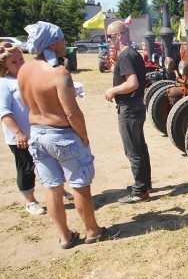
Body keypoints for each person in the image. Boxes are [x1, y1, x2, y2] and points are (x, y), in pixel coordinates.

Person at [18, 21, 119, 249]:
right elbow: (71, 112)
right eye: (62, 39)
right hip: (62, 135)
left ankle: (65, 236)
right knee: (80, 185)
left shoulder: (24, 70)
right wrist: (83, 136)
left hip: (37, 133)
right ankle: (93, 230)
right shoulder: (58, 73)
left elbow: (25, 103)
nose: (65, 43)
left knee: (51, 188)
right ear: (52, 44)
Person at [0, 42, 45, 215]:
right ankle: (30, 201)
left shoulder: (26, 77)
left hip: (39, 132)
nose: (20, 63)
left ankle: (54, 190)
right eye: (14, 62)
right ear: (3, 65)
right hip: (21, 137)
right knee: (26, 168)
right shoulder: (2, 84)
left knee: (46, 164)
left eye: (21, 59)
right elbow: (4, 112)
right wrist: (18, 132)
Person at [103, 21, 152, 203]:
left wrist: (113, 90)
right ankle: (145, 184)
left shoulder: (125, 56)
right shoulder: (133, 53)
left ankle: (140, 190)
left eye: (109, 36)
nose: (108, 40)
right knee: (140, 147)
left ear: (119, 35)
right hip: (137, 106)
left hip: (129, 108)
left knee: (133, 150)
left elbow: (132, 84)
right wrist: (114, 69)